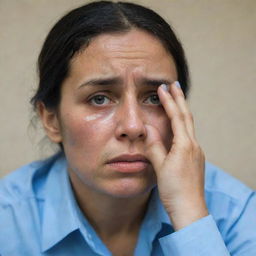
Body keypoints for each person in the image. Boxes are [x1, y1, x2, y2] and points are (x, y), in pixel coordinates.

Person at [0, 1, 255, 255]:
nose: (133, 126)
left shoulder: (235, 212)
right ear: (51, 119)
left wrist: (190, 214)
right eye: (99, 98)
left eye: (154, 98)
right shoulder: (8, 220)